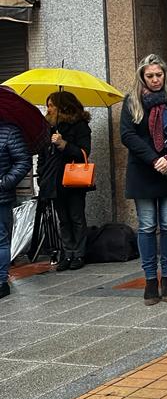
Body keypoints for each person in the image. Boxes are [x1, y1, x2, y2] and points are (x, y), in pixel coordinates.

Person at [120, 54, 167, 305]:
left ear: (165, 75)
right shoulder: (132, 101)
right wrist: (153, 159)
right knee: (147, 226)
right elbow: (127, 135)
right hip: (143, 172)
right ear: (142, 77)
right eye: (150, 76)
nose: (155, 80)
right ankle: (149, 279)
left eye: (159, 75)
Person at [37, 91, 92, 271]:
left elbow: (84, 152)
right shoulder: (48, 127)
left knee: (76, 216)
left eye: (52, 105)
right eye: (48, 105)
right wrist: (41, 175)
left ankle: (79, 253)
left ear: (63, 106)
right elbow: (42, 154)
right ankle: (67, 253)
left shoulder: (79, 125)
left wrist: (64, 144)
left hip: (73, 179)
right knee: (63, 219)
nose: (49, 109)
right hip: (53, 180)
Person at [0, 121, 31, 299]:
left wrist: (4, 182)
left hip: (1, 196)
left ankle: (1, 281)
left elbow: (23, 160)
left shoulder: (9, 131)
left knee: (1, 238)